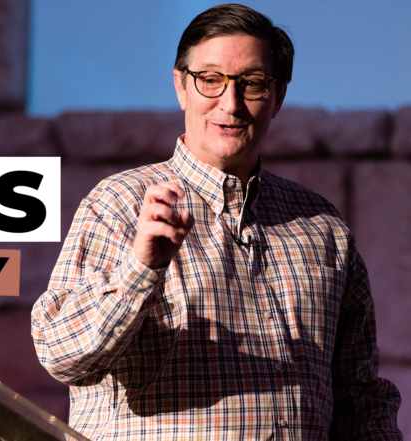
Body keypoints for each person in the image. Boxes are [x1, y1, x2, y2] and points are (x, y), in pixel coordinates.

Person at [31, 3, 402, 440]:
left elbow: (360, 398)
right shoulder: (120, 204)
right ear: (181, 87)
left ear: (278, 97)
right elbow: (61, 355)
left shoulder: (323, 229)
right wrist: (141, 268)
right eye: (210, 80)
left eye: (252, 84)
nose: (230, 103)